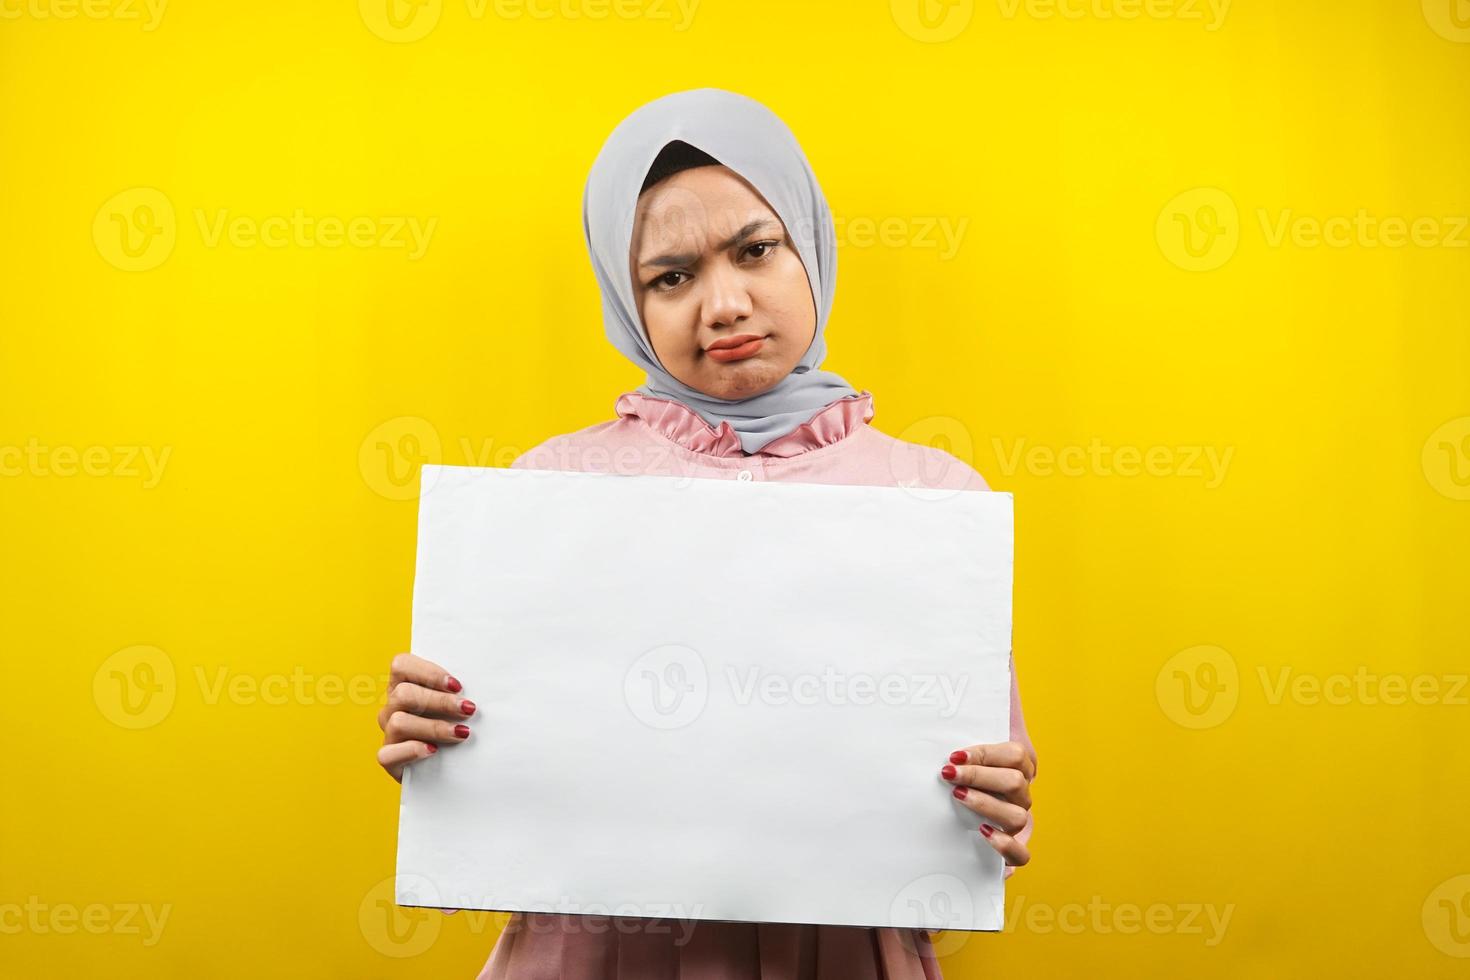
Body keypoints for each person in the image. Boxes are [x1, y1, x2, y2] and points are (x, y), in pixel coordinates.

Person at [375, 88, 1038, 980]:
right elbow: (496, 801)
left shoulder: (933, 498)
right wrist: (439, 750)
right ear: (628, 297)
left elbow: (992, 783)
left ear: (811, 248)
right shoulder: (548, 493)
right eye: (671, 277)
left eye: (757, 251)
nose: (724, 305)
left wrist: (997, 799)